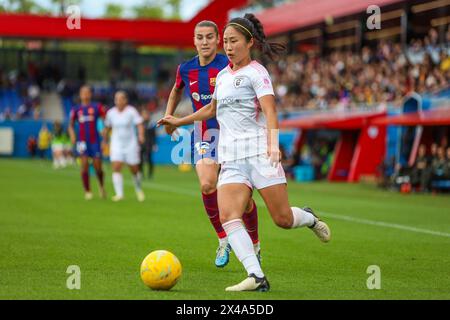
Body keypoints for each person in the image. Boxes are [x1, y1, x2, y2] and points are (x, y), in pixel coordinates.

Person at [158, 13, 331, 292]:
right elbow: (211, 109)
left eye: (233, 41)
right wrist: (178, 120)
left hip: (260, 154)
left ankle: (308, 217)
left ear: (249, 42)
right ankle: (256, 275)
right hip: (232, 158)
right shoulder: (224, 75)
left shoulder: (257, 73)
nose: (228, 46)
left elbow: (270, 111)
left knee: (283, 219)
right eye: (225, 41)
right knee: (228, 215)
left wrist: (273, 145)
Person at [163, 20, 261, 268]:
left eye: (209, 37)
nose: (204, 42)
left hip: (233, 135)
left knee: (245, 202)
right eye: (200, 37)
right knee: (208, 185)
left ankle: (256, 245)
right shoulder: (186, 68)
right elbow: (176, 90)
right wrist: (169, 116)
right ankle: (223, 240)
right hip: (205, 134)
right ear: (194, 40)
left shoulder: (229, 65)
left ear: (218, 40)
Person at [103, 91, 145, 202]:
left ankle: (138, 188)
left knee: (134, 169)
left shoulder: (131, 111)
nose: (118, 101)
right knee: (116, 167)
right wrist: (105, 139)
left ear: (125, 100)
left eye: (121, 98)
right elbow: (107, 127)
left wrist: (141, 135)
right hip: (116, 144)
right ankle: (119, 194)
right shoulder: (111, 113)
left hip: (131, 144)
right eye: (116, 99)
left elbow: (139, 124)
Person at [68, 85, 107, 200]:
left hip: (94, 140)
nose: (85, 95)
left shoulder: (97, 107)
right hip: (82, 142)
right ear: (80, 95)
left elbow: (105, 120)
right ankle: (88, 191)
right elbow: (70, 125)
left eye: (87, 92)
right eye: (82, 92)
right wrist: (72, 135)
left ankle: (101, 185)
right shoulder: (76, 109)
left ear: (90, 94)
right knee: (84, 164)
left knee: (98, 166)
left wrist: (104, 135)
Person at [140, 108, 157, 179]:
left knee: (149, 160)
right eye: (143, 114)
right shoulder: (140, 124)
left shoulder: (151, 124)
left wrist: (154, 144)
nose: (145, 116)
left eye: (146, 114)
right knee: (140, 160)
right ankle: (141, 174)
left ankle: (150, 174)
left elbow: (154, 136)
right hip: (141, 144)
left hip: (149, 144)